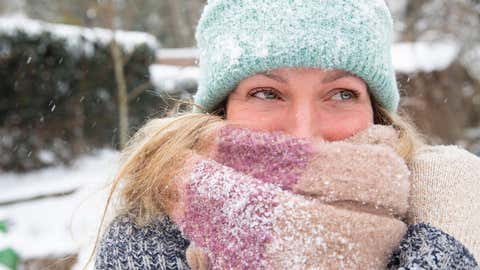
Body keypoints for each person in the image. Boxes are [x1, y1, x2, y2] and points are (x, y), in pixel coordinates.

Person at [94, 0, 480, 269]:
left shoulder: (450, 205)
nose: (304, 133)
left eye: (342, 94)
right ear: (220, 110)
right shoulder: (147, 242)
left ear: (376, 113)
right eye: (266, 93)